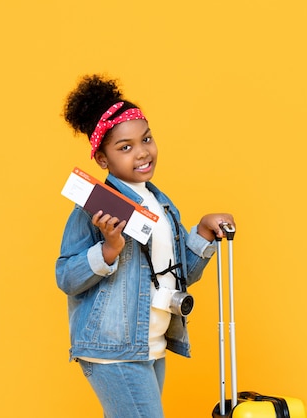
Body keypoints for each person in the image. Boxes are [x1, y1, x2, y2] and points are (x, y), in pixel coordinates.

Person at [56, 74, 235, 418]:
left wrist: (202, 232)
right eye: (125, 147)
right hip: (113, 350)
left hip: (150, 344)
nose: (142, 153)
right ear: (103, 159)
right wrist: (108, 249)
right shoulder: (94, 207)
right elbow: (65, 276)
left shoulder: (161, 204)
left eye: (146, 139)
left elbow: (180, 275)